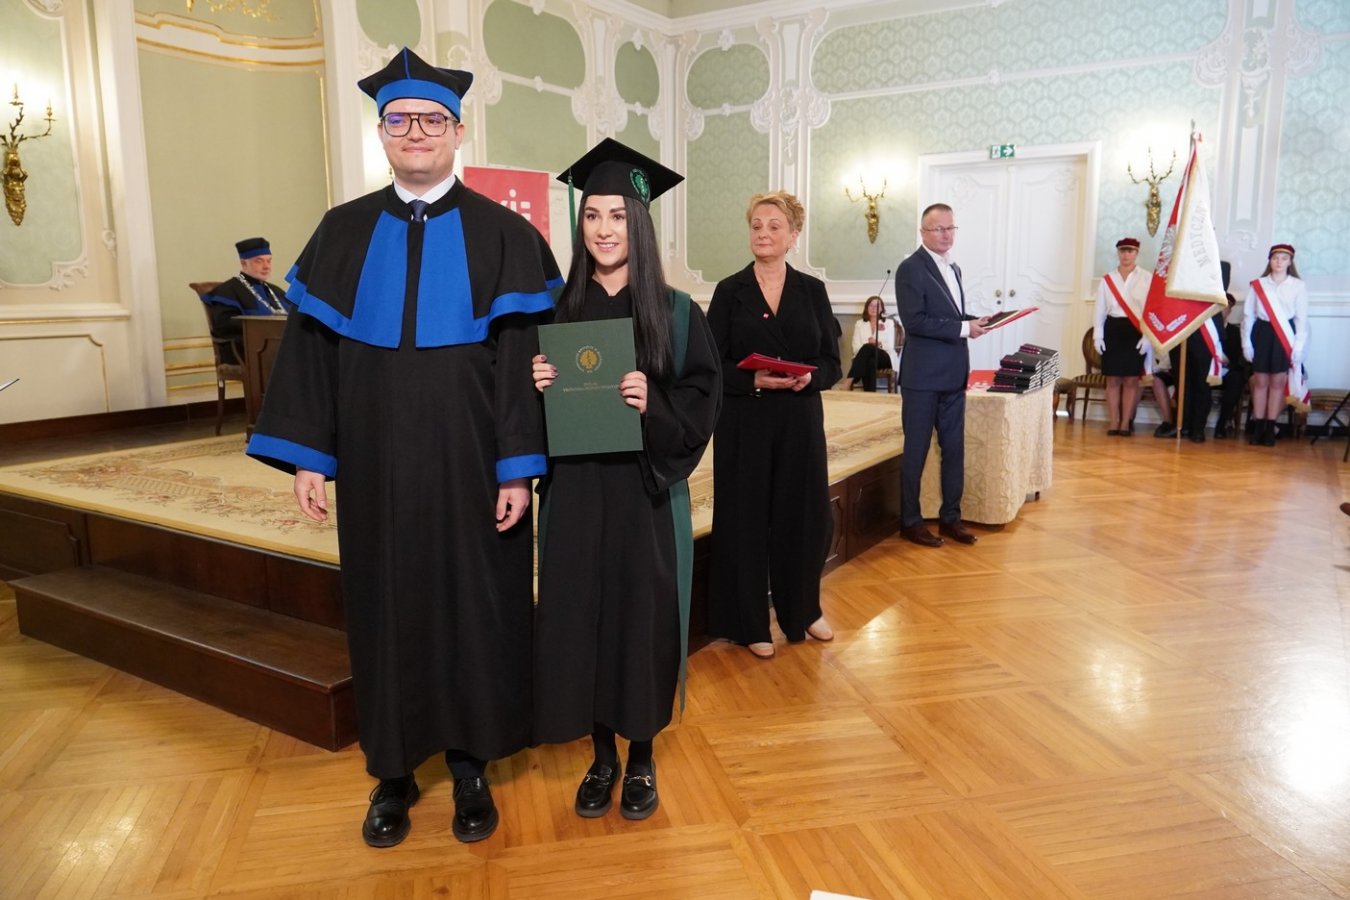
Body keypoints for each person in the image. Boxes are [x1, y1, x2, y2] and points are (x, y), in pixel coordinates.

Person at [244, 48, 561, 848]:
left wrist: (517, 468)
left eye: (431, 120)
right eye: (399, 120)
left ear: (457, 131)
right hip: (375, 462)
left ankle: (471, 764)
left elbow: (523, 363)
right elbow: (311, 355)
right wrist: (310, 455)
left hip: (474, 460)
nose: (415, 132)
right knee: (384, 605)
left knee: (477, 605)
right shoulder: (342, 230)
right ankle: (391, 770)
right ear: (382, 133)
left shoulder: (506, 236)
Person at [530, 140, 721, 821]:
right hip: (576, 491)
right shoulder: (554, 309)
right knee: (581, 617)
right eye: (592, 216)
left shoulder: (676, 310)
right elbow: (522, 412)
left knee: (640, 621)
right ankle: (601, 755)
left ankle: (641, 755)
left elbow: (703, 400)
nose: (604, 229)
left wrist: (654, 404)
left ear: (638, 222)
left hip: (645, 492)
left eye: (617, 215)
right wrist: (536, 384)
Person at [706, 191, 841, 659]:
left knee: (803, 517)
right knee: (744, 519)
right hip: (745, 420)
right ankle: (749, 623)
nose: (763, 233)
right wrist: (752, 378)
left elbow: (831, 362)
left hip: (799, 420)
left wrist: (811, 377)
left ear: (793, 236)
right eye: (756, 225)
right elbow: (710, 364)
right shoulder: (729, 291)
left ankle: (803, 610)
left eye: (774, 226)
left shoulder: (813, 290)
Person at [895, 203, 989, 548]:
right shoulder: (910, 268)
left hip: (953, 375)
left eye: (951, 228)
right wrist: (964, 328)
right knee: (916, 452)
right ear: (923, 232)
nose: (947, 234)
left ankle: (951, 518)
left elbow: (950, 316)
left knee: (953, 451)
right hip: (922, 378)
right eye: (939, 229)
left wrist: (975, 321)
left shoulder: (955, 268)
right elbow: (915, 321)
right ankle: (910, 521)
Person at [1242, 243, 1308, 446]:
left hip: (1284, 335)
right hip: (1262, 333)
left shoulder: (1298, 286)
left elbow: (1301, 319)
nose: (1279, 262)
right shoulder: (1258, 285)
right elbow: (1248, 316)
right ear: (1269, 260)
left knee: (1277, 382)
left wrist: (1298, 347)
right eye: (1275, 258)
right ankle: (1258, 428)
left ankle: (1270, 428)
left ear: (1290, 262)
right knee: (1260, 382)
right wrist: (1246, 343)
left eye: (1284, 258)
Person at [1092, 237, 1150, 435]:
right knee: (1113, 379)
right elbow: (1099, 309)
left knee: (1131, 380)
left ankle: (1125, 423)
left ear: (1136, 253)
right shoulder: (1107, 279)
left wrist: (1147, 336)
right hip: (1113, 329)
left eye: (1130, 251)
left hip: (1135, 330)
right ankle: (1113, 422)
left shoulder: (1147, 278)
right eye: (1123, 251)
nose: (1126, 255)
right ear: (1118, 253)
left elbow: (1151, 310)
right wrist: (1098, 336)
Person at [201, 237, 289, 364]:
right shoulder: (228, 291)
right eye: (259, 261)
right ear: (243, 263)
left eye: (269, 261)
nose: (266, 266)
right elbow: (224, 325)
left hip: (281, 348)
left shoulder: (276, 291)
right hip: (249, 352)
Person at [1213, 262, 1247, 439]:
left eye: (1225, 307)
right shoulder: (1206, 329)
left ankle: (1221, 424)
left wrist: (1225, 361)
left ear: (1230, 310)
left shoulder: (1235, 332)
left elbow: (1239, 358)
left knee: (1236, 379)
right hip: (1207, 370)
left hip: (1226, 371)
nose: (1221, 311)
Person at [842, 294, 897, 391]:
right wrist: (869, 347)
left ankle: (849, 380)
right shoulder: (859, 324)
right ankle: (871, 394)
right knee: (870, 361)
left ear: (882, 309)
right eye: (871, 305)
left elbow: (890, 347)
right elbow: (855, 348)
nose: (874, 308)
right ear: (866, 308)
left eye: (877, 306)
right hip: (866, 359)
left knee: (868, 347)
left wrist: (878, 343)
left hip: (884, 358)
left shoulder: (888, 323)